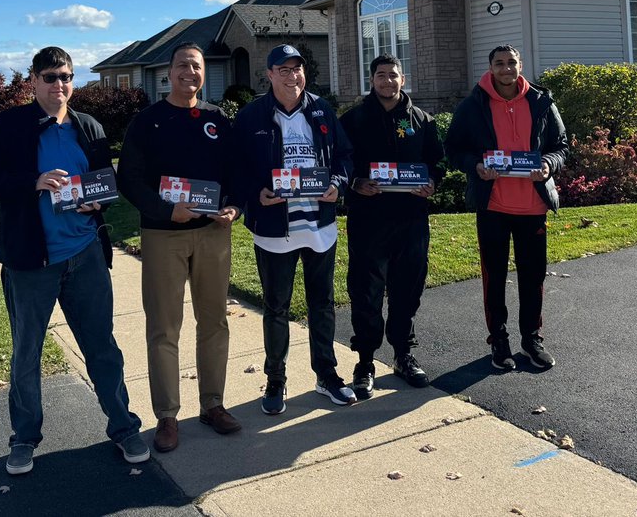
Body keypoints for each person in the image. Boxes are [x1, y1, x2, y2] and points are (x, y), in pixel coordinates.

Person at [0, 46, 148, 475]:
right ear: (33, 81)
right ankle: (25, 437)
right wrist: (33, 182)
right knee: (27, 352)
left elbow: (106, 183)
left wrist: (97, 204)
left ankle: (123, 426)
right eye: (49, 77)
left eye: (65, 76)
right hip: (31, 260)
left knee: (102, 346)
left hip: (84, 255)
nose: (59, 85)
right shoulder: (12, 126)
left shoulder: (89, 127)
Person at [117, 42, 241, 452]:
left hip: (213, 235)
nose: (190, 72)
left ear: (204, 73)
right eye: (183, 65)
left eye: (197, 66)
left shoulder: (217, 119)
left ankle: (213, 405)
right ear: (168, 73)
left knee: (214, 322)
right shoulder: (147, 122)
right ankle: (167, 416)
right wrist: (166, 212)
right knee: (164, 328)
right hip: (163, 236)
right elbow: (129, 180)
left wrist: (233, 207)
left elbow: (235, 173)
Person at [234, 43, 355, 414]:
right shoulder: (252, 115)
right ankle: (276, 380)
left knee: (322, 306)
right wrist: (256, 193)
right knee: (276, 309)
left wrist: (339, 181)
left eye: (297, 69)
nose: (292, 76)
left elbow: (345, 155)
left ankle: (327, 375)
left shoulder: (320, 109)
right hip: (274, 230)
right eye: (283, 70)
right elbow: (235, 167)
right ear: (269, 75)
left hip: (318, 226)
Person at [445, 45, 568, 371]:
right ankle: (499, 341)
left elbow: (561, 146)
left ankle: (531, 339)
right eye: (499, 63)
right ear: (490, 68)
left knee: (533, 276)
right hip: (494, 206)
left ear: (520, 65)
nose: (506, 68)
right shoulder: (473, 106)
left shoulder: (541, 102)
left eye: (511, 62)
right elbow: (454, 148)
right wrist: (476, 167)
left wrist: (548, 164)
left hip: (532, 206)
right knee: (494, 277)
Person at [340, 54, 445, 399]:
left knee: (407, 287)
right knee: (366, 290)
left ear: (404, 78)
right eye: (381, 76)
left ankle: (403, 354)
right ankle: (365, 361)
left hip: (411, 219)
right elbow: (340, 164)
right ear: (371, 80)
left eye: (393, 75)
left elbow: (436, 163)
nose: (387, 81)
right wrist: (355, 182)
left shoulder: (422, 121)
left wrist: (432, 181)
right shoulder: (353, 119)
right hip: (369, 219)